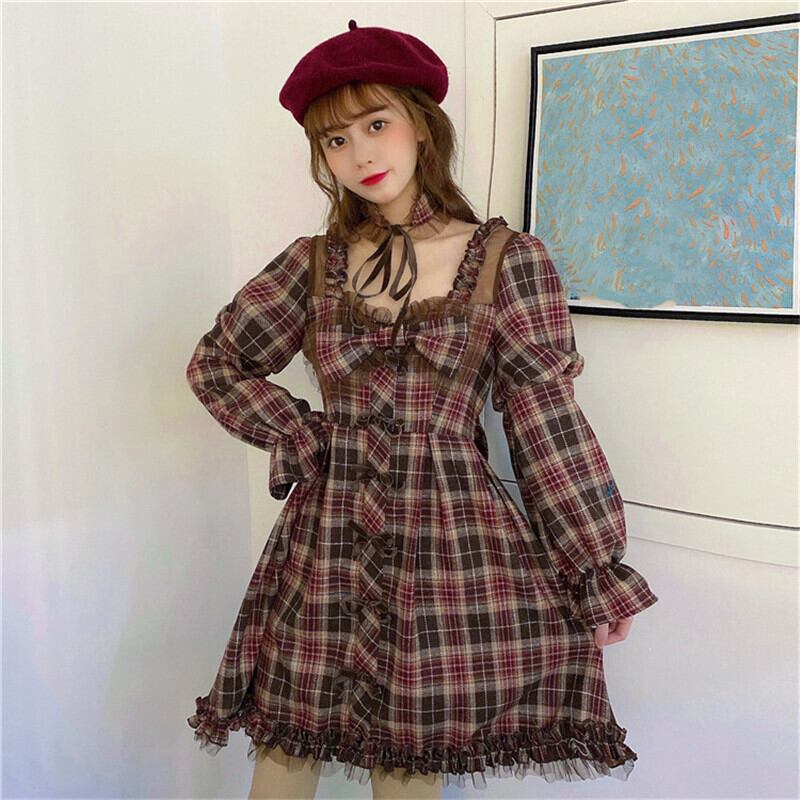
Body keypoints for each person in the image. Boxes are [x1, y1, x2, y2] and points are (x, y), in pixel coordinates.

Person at [185, 20, 659, 800]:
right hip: (326, 539)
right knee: (285, 752)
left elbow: (544, 420)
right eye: (336, 140)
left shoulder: (507, 261)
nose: (360, 154)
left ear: (420, 124)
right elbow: (218, 363)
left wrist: (593, 565)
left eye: (376, 124)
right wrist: (301, 432)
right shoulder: (312, 264)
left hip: (448, 546)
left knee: (408, 767)